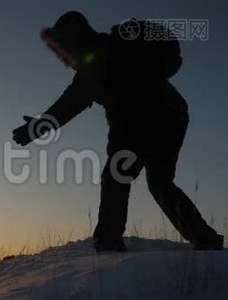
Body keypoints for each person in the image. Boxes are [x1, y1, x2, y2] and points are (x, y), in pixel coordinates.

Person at [12, 11, 224, 252]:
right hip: (172, 117)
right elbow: (69, 105)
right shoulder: (103, 54)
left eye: (63, 42)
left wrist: (36, 128)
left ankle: (109, 241)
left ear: (75, 36)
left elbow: (70, 105)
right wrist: (37, 127)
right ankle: (206, 238)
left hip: (152, 119)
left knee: (117, 176)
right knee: (159, 182)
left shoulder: (100, 57)